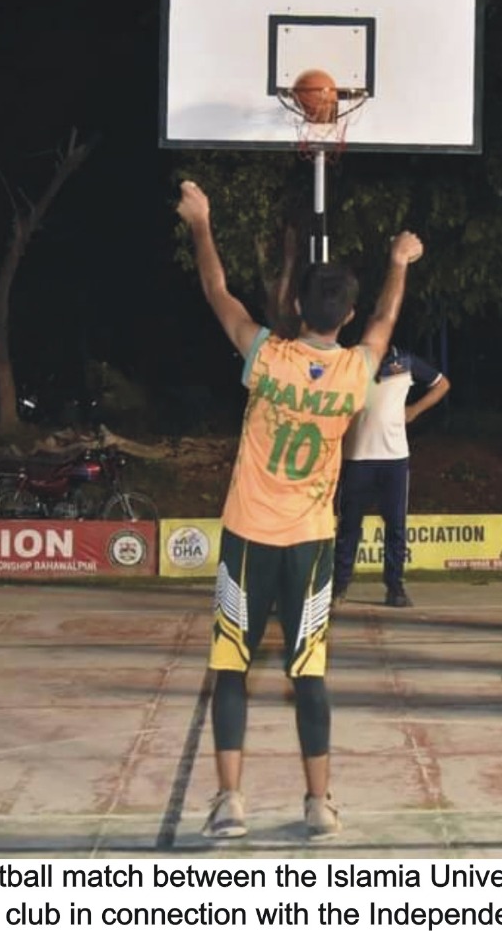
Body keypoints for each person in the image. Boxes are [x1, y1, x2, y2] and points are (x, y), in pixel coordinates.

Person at [176, 179, 422, 842]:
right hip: (311, 544)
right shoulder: (353, 372)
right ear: (343, 317)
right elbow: (386, 323)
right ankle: (318, 802)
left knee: (231, 664)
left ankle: (230, 799)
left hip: (249, 539)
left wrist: (202, 221)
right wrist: (398, 262)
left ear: (293, 304)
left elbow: (216, 292)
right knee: (308, 673)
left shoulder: (267, 358)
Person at [333, 345, 449, 608]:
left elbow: (442, 385)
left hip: (394, 458)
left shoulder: (405, 361)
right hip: (357, 456)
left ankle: (395, 587)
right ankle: (339, 586)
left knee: (396, 526)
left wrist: (414, 410)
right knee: (349, 525)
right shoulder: (352, 359)